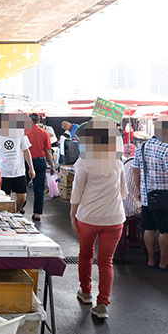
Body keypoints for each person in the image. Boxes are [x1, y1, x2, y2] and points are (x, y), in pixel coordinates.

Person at [70, 120, 127, 319]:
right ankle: (102, 304)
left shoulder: (84, 161)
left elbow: (77, 192)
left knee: (85, 255)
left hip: (88, 217)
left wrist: (72, 214)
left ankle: (86, 292)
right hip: (114, 218)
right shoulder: (118, 161)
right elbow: (123, 192)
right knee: (106, 262)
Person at [131, 116, 168, 272]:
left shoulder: (142, 146)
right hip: (165, 197)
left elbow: (135, 170)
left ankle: (150, 260)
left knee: (149, 228)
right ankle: (164, 261)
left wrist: (139, 190)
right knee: (166, 230)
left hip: (147, 195)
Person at [0, 113, 36, 214]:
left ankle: (15, 211)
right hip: (3, 172)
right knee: (5, 199)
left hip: (18, 172)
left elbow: (26, 150)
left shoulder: (19, 133)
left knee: (22, 197)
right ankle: (9, 215)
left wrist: (31, 168)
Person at [26, 113, 56, 221]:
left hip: (26, 162)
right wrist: (52, 166)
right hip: (39, 162)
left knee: (23, 186)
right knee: (39, 188)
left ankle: (20, 208)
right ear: (39, 121)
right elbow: (48, 152)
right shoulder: (44, 133)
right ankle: (37, 213)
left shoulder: (24, 133)